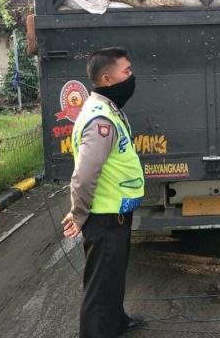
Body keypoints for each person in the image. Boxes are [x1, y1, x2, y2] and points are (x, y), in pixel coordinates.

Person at [62, 47, 145, 338]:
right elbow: (84, 175)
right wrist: (78, 213)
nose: (131, 76)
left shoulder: (108, 108)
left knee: (112, 276)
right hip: (105, 216)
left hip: (115, 213)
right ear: (108, 79)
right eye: (127, 71)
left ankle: (117, 321)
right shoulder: (101, 120)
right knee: (100, 286)